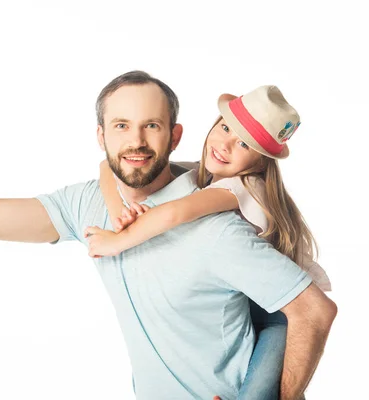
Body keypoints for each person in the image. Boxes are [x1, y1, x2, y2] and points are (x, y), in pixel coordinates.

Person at [0, 71, 337, 400]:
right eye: (121, 126)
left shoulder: (218, 226)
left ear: (175, 135)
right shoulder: (90, 203)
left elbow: (312, 310)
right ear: (102, 136)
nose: (135, 142)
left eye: (152, 127)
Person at [85, 84, 332, 399]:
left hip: (277, 314)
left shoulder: (243, 187)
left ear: (259, 162)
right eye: (225, 127)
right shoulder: (213, 176)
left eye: (243, 143)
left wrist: (116, 242)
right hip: (249, 301)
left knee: (257, 394)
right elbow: (117, 169)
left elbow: (177, 213)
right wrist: (115, 193)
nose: (225, 145)